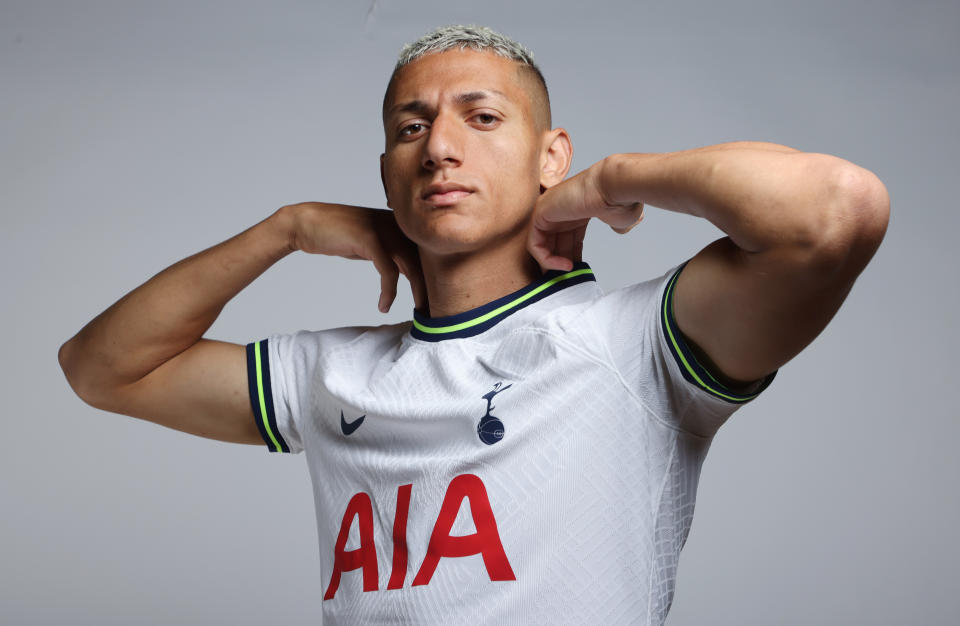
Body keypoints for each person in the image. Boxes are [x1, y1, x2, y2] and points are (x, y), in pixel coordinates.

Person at [58, 24, 889, 625]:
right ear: (386, 170)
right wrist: (284, 230)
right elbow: (104, 368)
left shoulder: (629, 345)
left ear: (549, 154)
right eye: (410, 127)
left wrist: (616, 179)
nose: (439, 149)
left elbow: (834, 212)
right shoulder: (334, 374)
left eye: (482, 118)